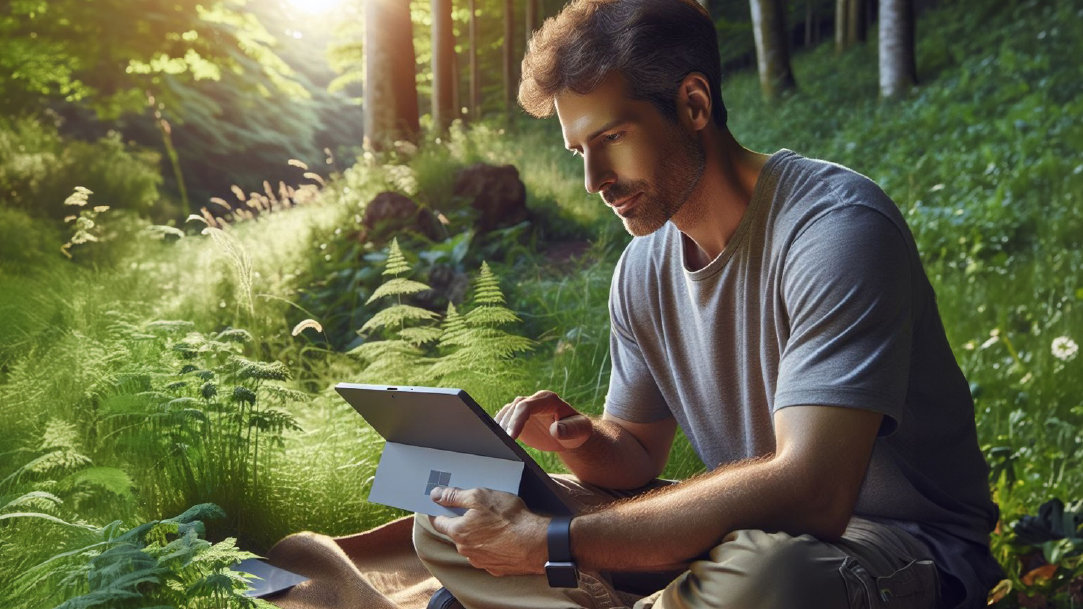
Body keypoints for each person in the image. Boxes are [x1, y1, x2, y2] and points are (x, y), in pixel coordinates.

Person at [412, 0, 1003, 607]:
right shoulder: (641, 269)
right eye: (577, 150)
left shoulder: (836, 228)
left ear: (694, 104)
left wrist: (552, 542)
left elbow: (815, 494)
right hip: (751, 529)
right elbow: (638, 455)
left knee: (767, 578)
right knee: (449, 506)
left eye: (611, 137)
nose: (593, 179)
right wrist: (580, 440)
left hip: (892, 544)